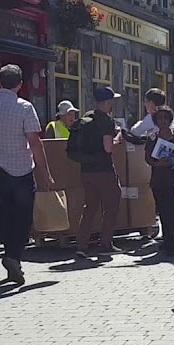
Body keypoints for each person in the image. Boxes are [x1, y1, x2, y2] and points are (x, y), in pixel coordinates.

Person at [0, 64, 54, 285]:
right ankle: (13, 257)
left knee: (7, 213)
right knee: (22, 217)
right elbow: (35, 143)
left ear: (0, 82)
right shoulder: (24, 108)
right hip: (21, 170)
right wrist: (45, 173)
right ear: (20, 85)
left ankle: (10, 255)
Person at [74, 87, 122, 256]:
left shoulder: (87, 117)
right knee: (111, 206)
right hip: (104, 170)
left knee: (90, 208)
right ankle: (106, 244)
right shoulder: (106, 121)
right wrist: (118, 137)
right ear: (108, 103)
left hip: (86, 170)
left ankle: (81, 245)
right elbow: (108, 148)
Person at [145, 107, 174, 257]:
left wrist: (173, 160)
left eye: (165, 118)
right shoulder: (152, 137)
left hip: (173, 180)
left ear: (170, 120)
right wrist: (157, 164)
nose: (163, 121)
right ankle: (166, 241)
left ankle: (173, 243)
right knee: (162, 211)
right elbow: (147, 157)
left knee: (172, 212)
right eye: (159, 118)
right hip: (158, 180)